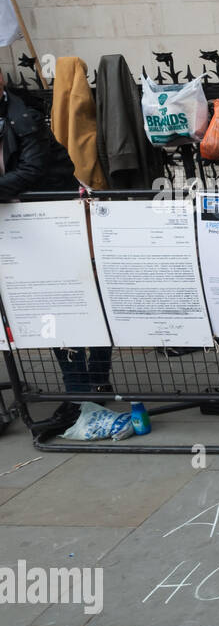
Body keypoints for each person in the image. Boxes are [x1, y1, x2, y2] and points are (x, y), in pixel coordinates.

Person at [2, 86, 114, 434]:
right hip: (24, 223)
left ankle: (87, 389)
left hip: (52, 219)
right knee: (51, 308)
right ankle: (86, 390)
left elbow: (31, 170)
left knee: (75, 304)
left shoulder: (24, 118)